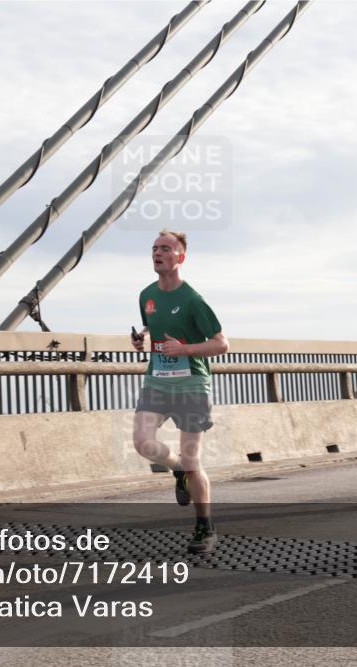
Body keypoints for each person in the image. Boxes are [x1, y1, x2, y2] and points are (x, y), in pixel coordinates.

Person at [131, 230, 229, 553]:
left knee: (192, 459)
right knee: (143, 443)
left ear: (180, 257)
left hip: (191, 383)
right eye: (154, 248)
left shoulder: (193, 300)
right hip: (157, 379)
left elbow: (221, 344)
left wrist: (184, 350)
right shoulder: (147, 294)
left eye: (165, 249)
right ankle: (176, 470)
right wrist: (142, 337)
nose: (157, 253)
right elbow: (151, 323)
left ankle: (205, 527)